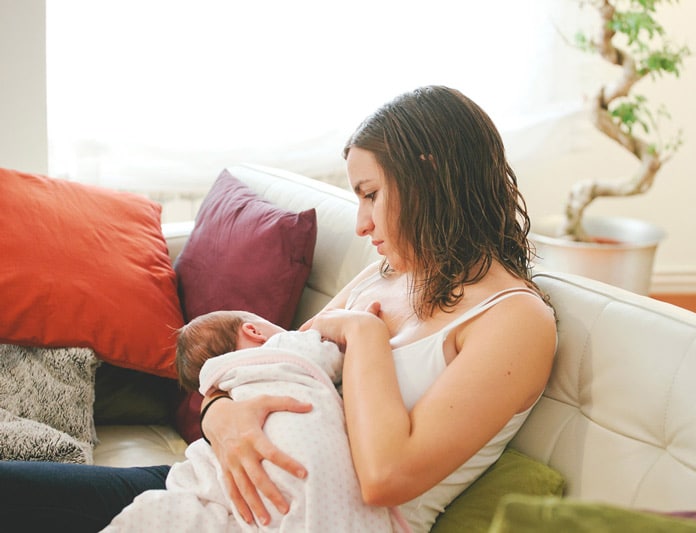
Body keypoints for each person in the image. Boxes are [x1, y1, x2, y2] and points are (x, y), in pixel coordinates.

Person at [0, 85, 556, 533]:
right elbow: (282, 361)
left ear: (430, 176)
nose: (362, 224)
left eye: (371, 194)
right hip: (222, 482)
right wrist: (220, 414)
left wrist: (363, 335)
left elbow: (387, 476)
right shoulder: (387, 273)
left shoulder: (514, 322)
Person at [103, 310, 409, 532]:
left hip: (225, 475)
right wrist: (353, 336)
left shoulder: (230, 377)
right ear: (254, 331)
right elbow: (333, 355)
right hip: (258, 459)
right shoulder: (286, 349)